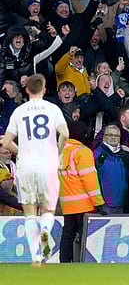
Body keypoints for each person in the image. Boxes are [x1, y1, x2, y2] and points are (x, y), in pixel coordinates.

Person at [1, 74, 69, 267]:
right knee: (47, 209)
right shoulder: (52, 108)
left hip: (26, 165)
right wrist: (58, 153)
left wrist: (21, 151)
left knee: (30, 211)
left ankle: (36, 257)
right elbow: (65, 133)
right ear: (45, 90)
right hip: (47, 163)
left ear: (27, 90)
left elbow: (6, 142)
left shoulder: (19, 111)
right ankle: (45, 237)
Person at [58, 121, 105, 263]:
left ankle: (64, 264)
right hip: (84, 204)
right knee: (85, 236)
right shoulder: (82, 151)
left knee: (68, 235)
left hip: (67, 203)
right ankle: (82, 263)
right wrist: (98, 202)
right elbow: (89, 180)